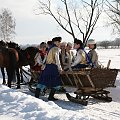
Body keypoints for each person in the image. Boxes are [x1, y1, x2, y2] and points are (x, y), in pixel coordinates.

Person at [35, 37, 63, 101]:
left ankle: (36, 96)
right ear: (55, 42)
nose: (59, 43)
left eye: (59, 42)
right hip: (53, 67)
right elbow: (57, 59)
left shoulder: (50, 48)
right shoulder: (56, 49)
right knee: (56, 82)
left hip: (47, 67)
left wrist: (43, 64)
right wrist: (60, 68)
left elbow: (46, 58)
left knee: (43, 81)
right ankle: (50, 97)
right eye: (58, 42)